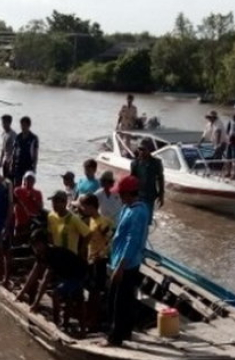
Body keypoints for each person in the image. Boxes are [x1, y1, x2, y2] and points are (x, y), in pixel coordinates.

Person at [106, 175, 149, 347]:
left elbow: (132, 241)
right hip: (119, 260)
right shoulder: (127, 208)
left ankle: (115, 338)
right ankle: (125, 333)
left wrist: (121, 266)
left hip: (127, 263)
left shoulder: (138, 212)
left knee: (119, 302)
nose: (120, 198)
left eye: (122, 195)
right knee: (121, 298)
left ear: (130, 194)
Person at [16, 229, 88, 332]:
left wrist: (36, 303)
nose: (35, 248)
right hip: (67, 275)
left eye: (37, 244)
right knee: (68, 298)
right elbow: (34, 273)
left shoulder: (53, 255)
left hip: (78, 273)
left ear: (44, 243)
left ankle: (58, 324)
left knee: (59, 295)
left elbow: (45, 280)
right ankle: (65, 325)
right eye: (34, 245)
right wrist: (21, 293)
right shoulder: (41, 254)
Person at [77, 193, 115, 331]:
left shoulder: (102, 222)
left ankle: (93, 321)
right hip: (91, 259)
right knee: (92, 291)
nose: (83, 209)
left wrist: (102, 255)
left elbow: (110, 241)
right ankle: (89, 318)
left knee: (96, 292)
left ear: (91, 207)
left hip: (99, 260)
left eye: (84, 207)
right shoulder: (91, 220)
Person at [130, 138, 164, 224]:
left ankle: (144, 236)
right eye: (140, 149)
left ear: (149, 150)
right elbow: (132, 179)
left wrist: (161, 195)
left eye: (143, 149)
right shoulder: (135, 163)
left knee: (147, 220)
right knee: (136, 219)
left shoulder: (156, 163)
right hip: (137, 196)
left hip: (149, 196)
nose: (141, 152)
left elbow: (160, 178)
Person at [46, 190, 90, 255]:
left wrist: (82, 250)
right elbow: (50, 233)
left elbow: (88, 234)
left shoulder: (73, 219)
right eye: (53, 202)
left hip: (70, 257)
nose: (54, 205)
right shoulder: (51, 216)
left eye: (57, 202)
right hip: (56, 254)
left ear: (65, 203)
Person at [13, 170, 43, 243]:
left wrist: (33, 199)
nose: (29, 181)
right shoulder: (17, 190)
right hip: (19, 221)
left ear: (34, 181)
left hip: (31, 222)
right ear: (24, 180)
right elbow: (12, 203)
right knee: (17, 240)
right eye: (27, 179)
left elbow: (40, 207)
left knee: (29, 240)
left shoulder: (37, 193)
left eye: (31, 179)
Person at [11, 116, 39, 186]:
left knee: (28, 185)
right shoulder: (18, 137)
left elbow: (35, 154)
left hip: (29, 165)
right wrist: (12, 165)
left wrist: (34, 167)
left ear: (29, 125)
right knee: (17, 185)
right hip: (18, 165)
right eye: (21, 125)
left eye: (25, 125)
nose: (23, 127)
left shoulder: (33, 138)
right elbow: (14, 152)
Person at [0, 114, 17, 179]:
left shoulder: (13, 135)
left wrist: (11, 162)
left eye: (5, 122)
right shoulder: (4, 134)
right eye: (2, 122)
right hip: (5, 160)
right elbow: (3, 148)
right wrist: (0, 160)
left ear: (9, 123)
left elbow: (15, 150)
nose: (3, 124)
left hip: (11, 162)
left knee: (10, 181)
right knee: (5, 180)